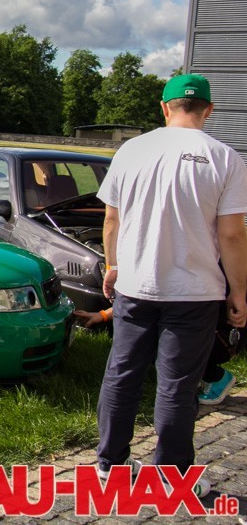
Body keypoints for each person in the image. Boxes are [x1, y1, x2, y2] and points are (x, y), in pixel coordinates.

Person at [93, 73, 247, 497]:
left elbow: (112, 220)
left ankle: (110, 465)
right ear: (208, 110)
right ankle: (173, 476)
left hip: (135, 285)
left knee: (122, 374)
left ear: (164, 107)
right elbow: (232, 234)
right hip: (195, 292)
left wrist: (113, 266)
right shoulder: (225, 158)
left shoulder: (131, 150)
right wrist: (239, 292)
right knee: (178, 384)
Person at [74, 307, 243, 405]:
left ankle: (215, 376)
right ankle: (192, 378)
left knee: (166, 343)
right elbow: (137, 301)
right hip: (205, 330)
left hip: (223, 337)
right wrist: (102, 315)